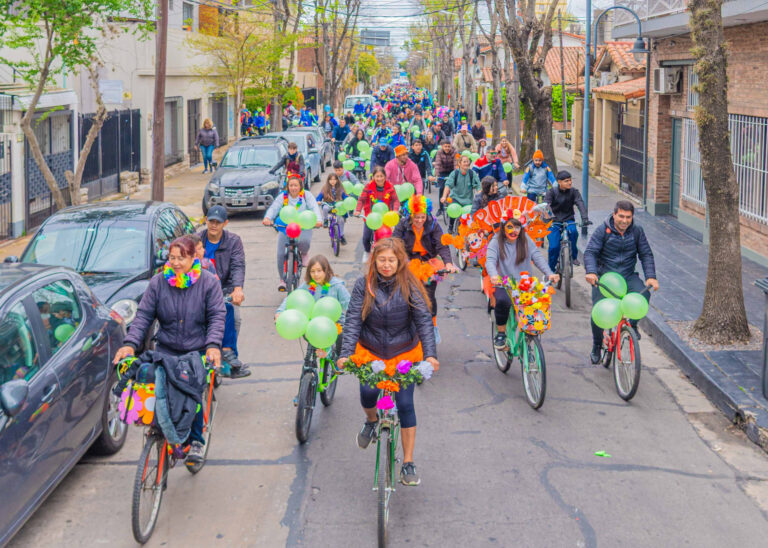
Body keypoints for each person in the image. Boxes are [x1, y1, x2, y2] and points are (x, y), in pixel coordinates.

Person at [113, 235, 225, 464]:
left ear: (194, 258)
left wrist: (213, 346)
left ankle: (195, 441)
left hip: (196, 352)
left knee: (190, 397)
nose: (175, 263)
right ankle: (162, 434)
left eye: (181, 258)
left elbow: (216, 316)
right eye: (171, 258)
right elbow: (144, 316)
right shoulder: (158, 282)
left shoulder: (208, 282)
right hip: (165, 349)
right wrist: (129, 344)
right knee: (156, 391)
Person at [337, 238, 439, 487]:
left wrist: (430, 354)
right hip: (371, 351)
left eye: (391, 260)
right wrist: (345, 352)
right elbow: (353, 319)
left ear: (399, 261)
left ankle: (408, 462)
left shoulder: (410, 284)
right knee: (368, 393)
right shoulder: (364, 285)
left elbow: (424, 320)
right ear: (374, 260)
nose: (386, 264)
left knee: (405, 404)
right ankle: (371, 422)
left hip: (404, 352)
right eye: (381, 259)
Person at [584, 200, 658, 364]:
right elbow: (590, 252)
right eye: (621, 216)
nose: (624, 221)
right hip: (605, 278)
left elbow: (646, 254)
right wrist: (591, 272)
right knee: (598, 313)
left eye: (628, 217)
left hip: (628, 276)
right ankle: (596, 345)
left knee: (644, 295)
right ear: (614, 214)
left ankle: (632, 324)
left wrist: (651, 276)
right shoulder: (603, 230)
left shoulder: (637, 231)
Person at [486, 216, 559, 349]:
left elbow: (537, 257)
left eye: (517, 227)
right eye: (510, 227)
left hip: (525, 283)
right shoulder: (496, 241)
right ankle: (501, 333)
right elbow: (490, 260)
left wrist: (549, 274)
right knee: (503, 301)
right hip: (504, 283)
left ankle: (531, 333)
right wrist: (494, 275)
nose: (514, 231)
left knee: (538, 301)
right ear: (503, 227)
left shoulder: (525, 240)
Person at [393, 195, 458, 343]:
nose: (420, 220)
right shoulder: (403, 224)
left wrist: (448, 263)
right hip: (408, 261)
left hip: (429, 263)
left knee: (428, 296)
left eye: (422, 217)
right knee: (405, 296)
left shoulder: (433, 225)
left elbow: (442, 244)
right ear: (410, 215)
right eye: (416, 217)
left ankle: (433, 327)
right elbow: (394, 242)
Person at [198, 206, 250, 378]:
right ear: (205, 220)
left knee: (234, 317)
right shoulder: (197, 239)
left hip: (224, 289)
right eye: (211, 221)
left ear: (225, 223)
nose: (213, 225)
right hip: (197, 289)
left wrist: (237, 289)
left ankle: (228, 356)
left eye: (218, 222)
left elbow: (237, 265)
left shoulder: (233, 241)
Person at [276, 255, 351, 365]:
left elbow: (350, 304)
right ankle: (310, 364)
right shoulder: (308, 286)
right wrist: (280, 312)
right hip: (313, 323)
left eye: (319, 271)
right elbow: (292, 297)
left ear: (326, 271)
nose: (316, 275)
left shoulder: (336, 286)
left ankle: (336, 360)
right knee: (309, 340)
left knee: (341, 340)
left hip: (334, 323)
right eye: (312, 271)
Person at [263, 174, 323, 291]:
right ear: (288, 186)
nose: (293, 188)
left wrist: (319, 220)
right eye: (291, 185)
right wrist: (268, 218)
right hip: (286, 227)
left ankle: (304, 253)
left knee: (305, 241)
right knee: (280, 254)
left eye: (296, 185)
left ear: (300, 186)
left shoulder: (306, 195)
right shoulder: (283, 196)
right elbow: (274, 208)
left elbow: (314, 207)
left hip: (303, 225)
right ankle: (283, 280)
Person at [544, 170, 589, 272]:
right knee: (554, 247)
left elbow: (580, 204)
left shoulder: (574, 192)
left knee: (573, 232)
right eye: (566, 181)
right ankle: (550, 270)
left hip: (569, 219)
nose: (569, 183)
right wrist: (547, 218)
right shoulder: (551, 192)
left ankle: (573, 257)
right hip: (554, 221)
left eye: (570, 180)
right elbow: (546, 205)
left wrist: (585, 218)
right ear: (559, 182)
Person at [354, 166, 400, 261]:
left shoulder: (390, 186)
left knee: (389, 238)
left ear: (385, 177)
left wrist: (396, 210)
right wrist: (358, 210)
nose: (379, 179)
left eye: (381, 176)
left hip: (386, 217)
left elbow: (395, 200)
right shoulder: (368, 186)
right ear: (373, 177)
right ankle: (367, 252)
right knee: (366, 237)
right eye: (377, 176)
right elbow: (362, 199)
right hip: (371, 217)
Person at [441, 155, 481, 229]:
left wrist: (480, 195)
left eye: (468, 161)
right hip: (455, 198)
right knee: (454, 211)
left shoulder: (472, 174)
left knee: (467, 217)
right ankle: (451, 225)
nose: (466, 163)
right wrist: (444, 196)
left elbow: (478, 186)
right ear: (459, 163)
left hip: (468, 200)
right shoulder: (454, 173)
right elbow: (448, 185)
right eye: (464, 162)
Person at [317, 173, 348, 245]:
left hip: (337, 208)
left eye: (334, 179)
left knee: (340, 220)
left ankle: (342, 235)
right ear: (328, 180)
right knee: (324, 208)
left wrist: (346, 201)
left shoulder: (340, 188)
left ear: (337, 180)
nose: (332, 181)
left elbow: (345, 196)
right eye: (331, 179)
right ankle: (325, 220)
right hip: (329, 206)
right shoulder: (325, 188)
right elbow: (319, 197)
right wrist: (318, 200)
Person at [432, 140, 457, 215]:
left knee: (454, 187)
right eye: (445, 146)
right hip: (442, 171)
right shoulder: (439, 152)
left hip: (451, 171)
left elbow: (456, 163)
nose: (447, 148)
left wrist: (456, 174)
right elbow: (438, 164)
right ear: (442, 146)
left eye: (448, 146)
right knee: (442, 188)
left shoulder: (454, 152)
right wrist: (436, 175)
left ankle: (454, 205)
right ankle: (441, 208)